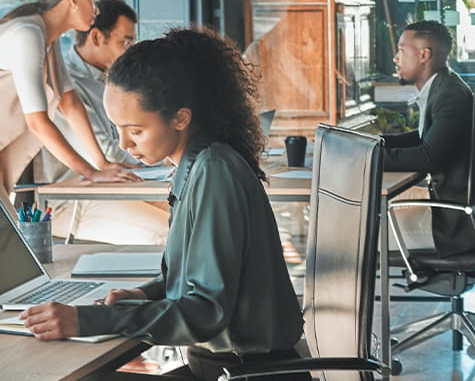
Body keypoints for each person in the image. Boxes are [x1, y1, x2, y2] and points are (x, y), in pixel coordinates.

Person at [16, 28, 308, 380]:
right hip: (223, 369)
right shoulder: (200, 163)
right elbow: (198, 280)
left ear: (181, 118)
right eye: (118, 129)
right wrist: (143, 293)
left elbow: (205, 311)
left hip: (245, 374)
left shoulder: (214, 172)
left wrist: (86, 320)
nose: (124, 144)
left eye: (136, 130)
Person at [0, 0, 137, 241]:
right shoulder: (26, 35)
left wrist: (102, 163)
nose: (96, 9)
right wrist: (90, 172)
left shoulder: (46, 39)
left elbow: (69, 103)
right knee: (1, 235)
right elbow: (38, 122)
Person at [39, 0, 169, 245]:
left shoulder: (114, 79)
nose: (130, 49)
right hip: (77, 197)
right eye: (125, 41)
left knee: (193, 217)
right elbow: (108, 155)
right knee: (164, 233)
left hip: (119, 185)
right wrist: (164, 153)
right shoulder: (69, 87)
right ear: (96, 37)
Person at [381, 20, 475, 255]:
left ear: (424, 55)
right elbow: (427, 137)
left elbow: (427, 157)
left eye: (402, 50)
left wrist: (364, 158)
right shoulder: (445, 85)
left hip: (451, 225)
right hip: (451, 214)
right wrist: (376, 143)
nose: (396, 58)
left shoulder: (450, 96)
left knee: (360, 226)